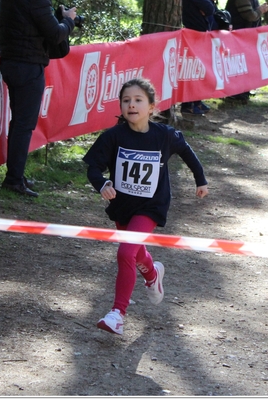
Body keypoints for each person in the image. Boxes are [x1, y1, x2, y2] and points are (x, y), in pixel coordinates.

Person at [83, 78, 208, 335]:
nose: (132, 105)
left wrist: (201, 180)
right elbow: (93, 168)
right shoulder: (113, 137)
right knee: (136, 251)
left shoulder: (164, 136)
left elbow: (188, 153)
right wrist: (102, 183)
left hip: (151, 206)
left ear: (151, 107)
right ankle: (152, 274)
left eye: (138, 100)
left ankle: (117, 313)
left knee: (126, 253)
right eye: (126, 100)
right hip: (122, 206)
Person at [0, 0, 76, 197]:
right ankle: (13, 179)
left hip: (12, 62)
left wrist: (58, 19)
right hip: (28, 65)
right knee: (24, 124)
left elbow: (36, 26)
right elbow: (55, 34)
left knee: (20, 123)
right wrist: (69, 21)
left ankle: (17, 175)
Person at [181, 0, 215, 115]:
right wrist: (203, 9)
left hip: (198, 37)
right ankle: (188, 104)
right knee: (191, 71)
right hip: (191, 37)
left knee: (198, 71)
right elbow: (209, 8)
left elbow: (208, 8)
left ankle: (196, 101)